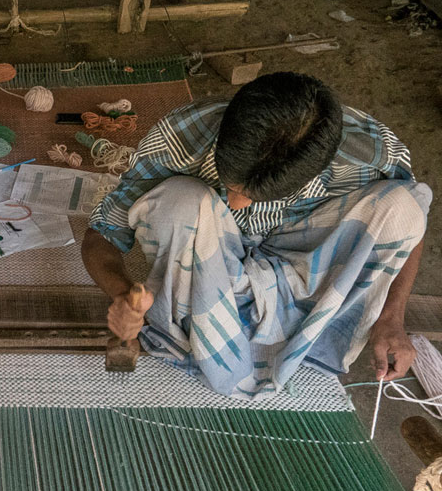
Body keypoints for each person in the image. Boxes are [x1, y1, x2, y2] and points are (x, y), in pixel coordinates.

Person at [82, 72, 430, 399]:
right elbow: (103, 234)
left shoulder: (369, 154)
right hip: (213, 256)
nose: (235, 203)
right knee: (180, 201)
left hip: (301, 260)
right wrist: (122, 294)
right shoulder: (182, 136)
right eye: (230, 185)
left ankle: (234, 329)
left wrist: (391, 318)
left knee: (403, 206)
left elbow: (408, 229)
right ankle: (224, 324)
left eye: (253, 195)